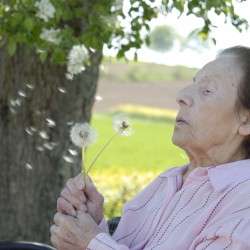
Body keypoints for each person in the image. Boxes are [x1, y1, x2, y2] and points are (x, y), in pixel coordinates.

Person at [50, 46, 250, 249]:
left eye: (207, 90)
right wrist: (93, 225)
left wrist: (90, 244)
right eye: (192, 84)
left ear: (246, 121)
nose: (181, 96)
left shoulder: (244, 203)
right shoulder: (168, 181)